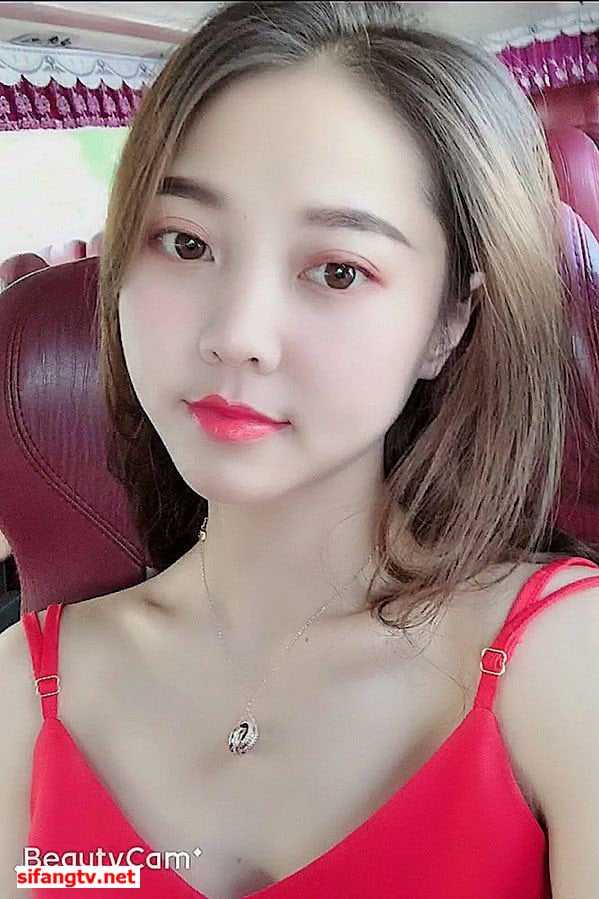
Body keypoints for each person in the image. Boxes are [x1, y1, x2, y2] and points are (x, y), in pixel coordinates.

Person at [2, 3, 599, 897]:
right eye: (185, 242)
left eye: (337, 270)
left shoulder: (568, 661)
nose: (237, 335)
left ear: (446, 323)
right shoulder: (21, 690)